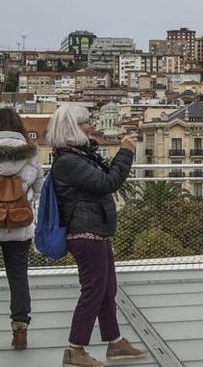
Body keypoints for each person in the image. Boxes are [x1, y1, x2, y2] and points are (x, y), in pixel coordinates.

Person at [46, 105, 146, 367]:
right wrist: (124, 152)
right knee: (93, 290)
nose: (91, 126)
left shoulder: (77, 155)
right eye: (85, 124)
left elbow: (102, 179)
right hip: (84, 233)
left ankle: (114, 341)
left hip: (96, 230)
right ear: (72, 128)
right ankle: (74, 349)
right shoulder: (68, 162)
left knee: (107, 288)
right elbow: (108, 183)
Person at [0, 107, 44, 350]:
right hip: (19, 222)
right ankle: (20, 330)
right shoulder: (30, 154)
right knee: (18, 276)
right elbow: (39, 187)